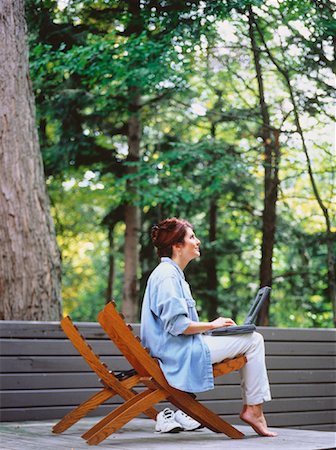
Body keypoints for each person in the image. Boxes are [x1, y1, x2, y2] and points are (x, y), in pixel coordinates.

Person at [140, 217, 277, 437]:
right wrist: (212, 324)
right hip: (177, 354)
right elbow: (177, 325)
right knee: (254, 340)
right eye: (192, 237)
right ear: (177, 246)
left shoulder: (172, 274)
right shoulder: (167, 276)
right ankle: (254, 410)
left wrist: (212, 329)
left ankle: (254, 409)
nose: (198, 241)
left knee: (251, 338)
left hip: (178, 348)